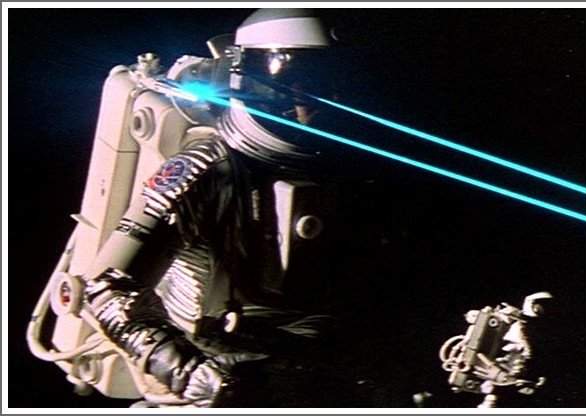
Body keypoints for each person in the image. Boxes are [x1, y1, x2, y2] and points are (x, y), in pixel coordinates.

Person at [83, 9, 397, 407]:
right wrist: (191, 373)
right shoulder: (205, 167)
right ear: (255, 79)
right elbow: (107, 289)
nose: (315, 100)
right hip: (210, 379)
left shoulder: (352, 172)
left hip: (302, 376)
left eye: (328, 82)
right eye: (298, 81)